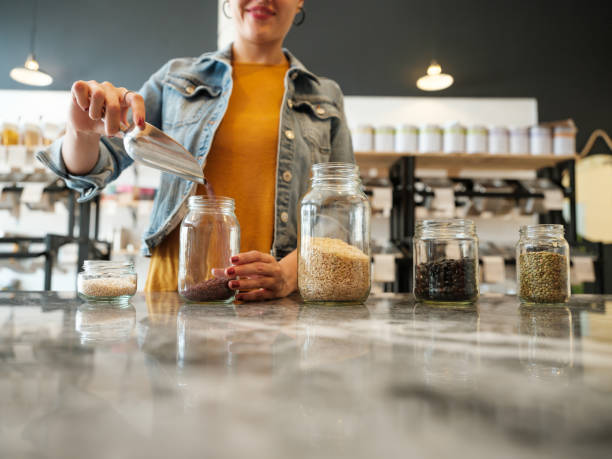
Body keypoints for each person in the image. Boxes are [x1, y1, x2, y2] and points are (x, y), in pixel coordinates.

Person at [37, 0, 353, 301]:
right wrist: (81, 132)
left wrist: (287, 275)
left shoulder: (324, 96)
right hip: (173, 296)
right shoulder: (175, 80)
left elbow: (339, 211)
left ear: (300, 2)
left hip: (274, 306)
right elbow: (90, 170)